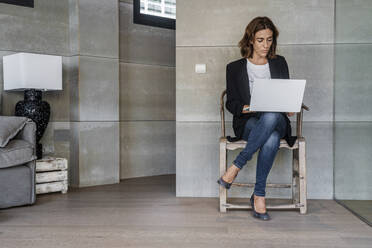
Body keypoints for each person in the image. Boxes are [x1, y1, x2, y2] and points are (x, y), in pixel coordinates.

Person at [217, 16, 297, 221]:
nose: (265, 45)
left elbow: (285, 92)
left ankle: (235, 166)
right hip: (249, 121)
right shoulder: (234, 68)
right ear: (251, 40)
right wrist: (246, 107)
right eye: (260, 40)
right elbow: (231, 103)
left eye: (269, 39)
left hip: (278, 120)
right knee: (270, 139)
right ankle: (259, 195)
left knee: (271, 114)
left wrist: (289, 106)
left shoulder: (279, 63)